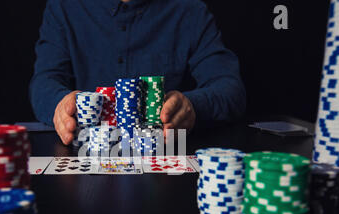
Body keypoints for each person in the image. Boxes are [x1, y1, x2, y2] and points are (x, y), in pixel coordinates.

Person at [30, 0, 246, 145]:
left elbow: (230, 89)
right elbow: (43, 83)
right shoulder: (63, 7)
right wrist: (59, 105)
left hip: (164, 173)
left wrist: (193, 106)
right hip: (88, 163)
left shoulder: (191, 10)